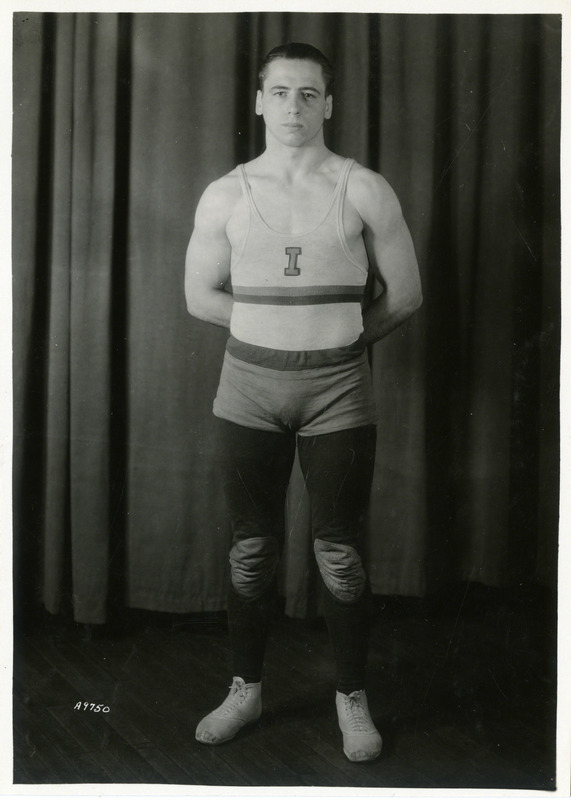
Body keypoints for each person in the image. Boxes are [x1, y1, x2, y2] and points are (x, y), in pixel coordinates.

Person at [184, 42, 422, 762]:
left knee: (339, 554)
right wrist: (272, 326)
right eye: (280, 93)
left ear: (328, 104)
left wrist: (338, 336)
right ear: (259, 102)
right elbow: (198, 296)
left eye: (308, 94)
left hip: (337, 393)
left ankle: (351, 698)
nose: (293, 106)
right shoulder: (225, 193)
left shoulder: (362, 188)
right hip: (248, 391)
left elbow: (405, 295)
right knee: (250, 551)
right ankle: (244, 688)